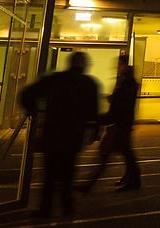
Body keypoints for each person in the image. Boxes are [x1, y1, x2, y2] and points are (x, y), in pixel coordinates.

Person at [20, 51, 99, 219]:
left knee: (49, 174)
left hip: (52, 133)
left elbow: (27, 94)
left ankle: (46, 208)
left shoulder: (54, 79)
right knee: (68, 172)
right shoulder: (88, 84)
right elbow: (93, 112)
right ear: (84, 65)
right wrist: (93, 132)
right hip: (73, 135)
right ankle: (67, 206)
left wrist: (33, 111)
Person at [80, 54, 141, 193]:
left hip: (118, 125)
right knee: (125, 155)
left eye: (119, 65)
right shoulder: (126, 81)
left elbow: (121, 104)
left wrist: (106, 114)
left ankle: (89, 184)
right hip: (121, 124)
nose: (117, 68)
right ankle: (134, 180)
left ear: (125, 66)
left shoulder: (127, 83)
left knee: (106, 155)